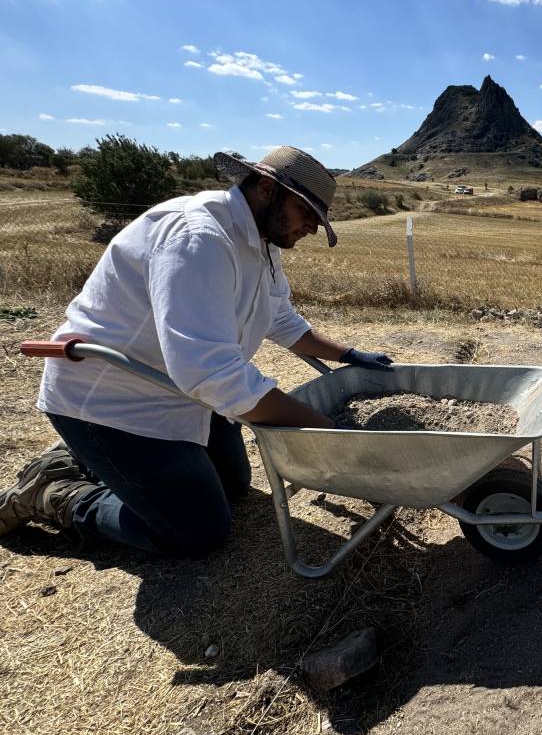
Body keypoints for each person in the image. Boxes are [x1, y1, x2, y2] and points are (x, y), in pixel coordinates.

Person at [0, 146, 392, 557]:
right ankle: (57, 491)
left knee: (234, 487)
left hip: (181, 393)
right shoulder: (196, 238)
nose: (311, 228)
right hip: (114, 405)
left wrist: (349, 355)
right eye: (306, 213)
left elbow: (279, 319)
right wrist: (330, 431)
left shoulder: (261, 241)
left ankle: (103, 463)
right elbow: (212, 373)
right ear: (266, 188)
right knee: (196, 530)